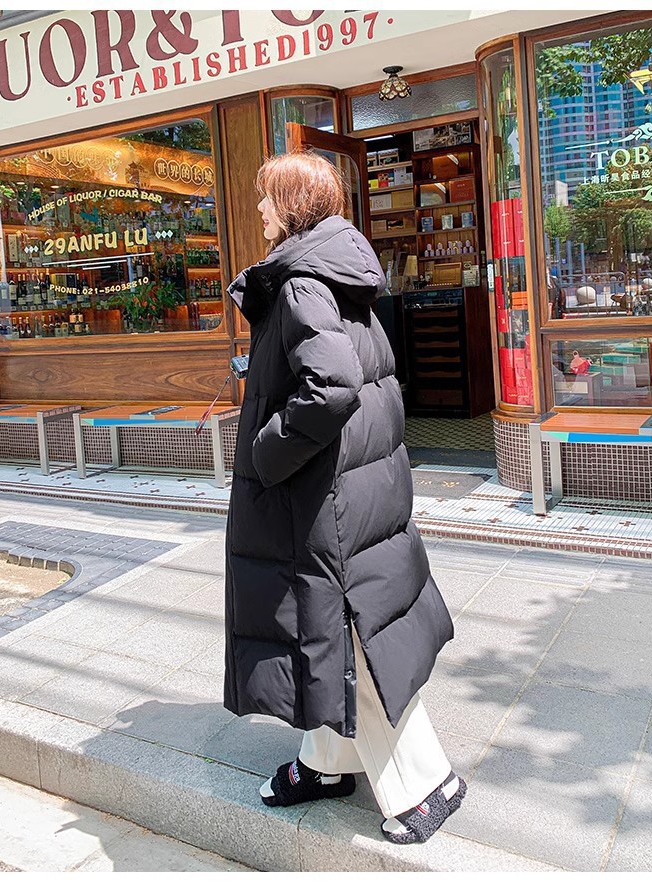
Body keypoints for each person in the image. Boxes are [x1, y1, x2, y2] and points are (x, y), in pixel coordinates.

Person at [223, 151, 465, 845]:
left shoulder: (301, 282)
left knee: (350, 636)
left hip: (323, 498)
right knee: (328, 626)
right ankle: (326, 761)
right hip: (350, 487)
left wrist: (267, 449)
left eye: (267, 197)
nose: (259, 210)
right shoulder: (338, 272)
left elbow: (330, 387)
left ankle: (427, 784)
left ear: (293, 206)